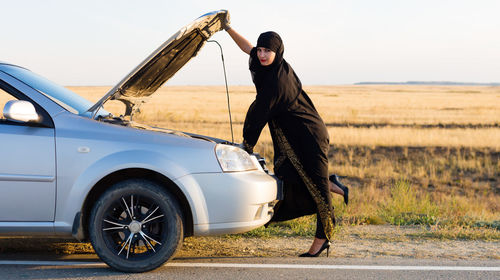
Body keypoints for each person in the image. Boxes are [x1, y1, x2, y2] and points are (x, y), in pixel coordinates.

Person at [222, 20, 349, 257]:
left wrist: (247, 145)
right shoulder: (267, 65)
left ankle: (323, 238)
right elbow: (246, 46)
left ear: (277, 52)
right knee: (289, 175)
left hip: (308, 135)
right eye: (260, 50)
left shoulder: (276, 81)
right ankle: (332, 182)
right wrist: (228, 28)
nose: (261, 55)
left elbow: (258, 114)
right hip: (291, 135)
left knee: (318, 190)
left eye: (267, 51)